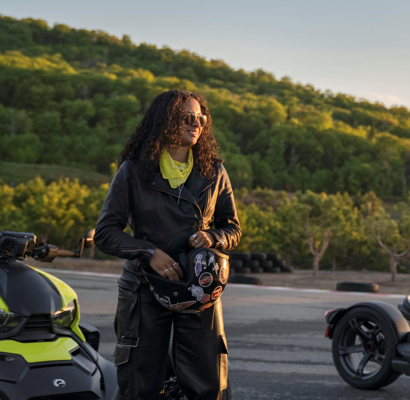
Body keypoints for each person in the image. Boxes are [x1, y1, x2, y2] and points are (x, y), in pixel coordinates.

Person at [94, 89, 241, 400]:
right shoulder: (134, 170)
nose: (196, 124)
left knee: (210, 385)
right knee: (139, 386)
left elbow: (232, 228)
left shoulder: (214, 171)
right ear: (165, 123)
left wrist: (213, 237)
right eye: (187, 118)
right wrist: (149, 254)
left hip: (200, 289)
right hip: (143, 290)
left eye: (201, 118)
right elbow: (106, 232)